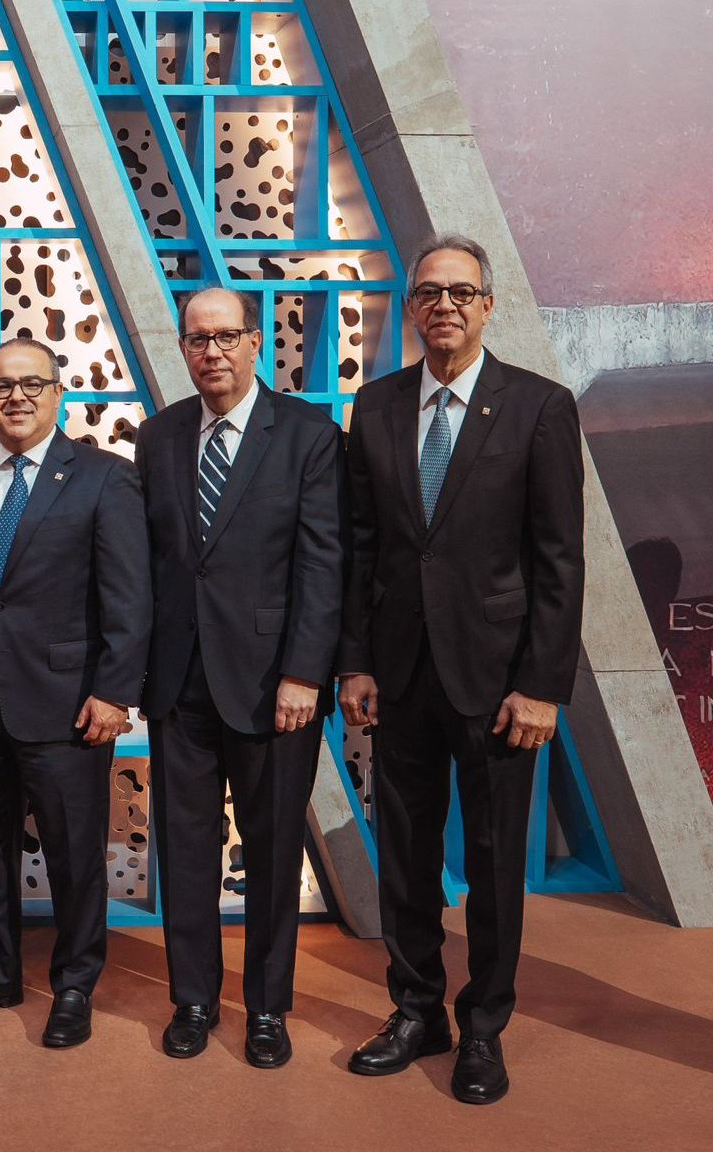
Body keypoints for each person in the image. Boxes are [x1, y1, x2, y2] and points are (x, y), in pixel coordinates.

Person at [339, 234, 584, 1104]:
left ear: (488, 305)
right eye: (428, 293)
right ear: (411, 307)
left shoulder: (539, 406)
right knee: (405, 858)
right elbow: (361, 546)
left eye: (460, 292)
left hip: (499, 682)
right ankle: (417, 1012)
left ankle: (483, 1028)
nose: (443, 305)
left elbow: (559, 560)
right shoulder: (374, 405)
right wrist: (354, 662)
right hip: (399, 674)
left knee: (492, 863)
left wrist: (543, 686)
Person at [135, 287, 343, 1068]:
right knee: (185, 851)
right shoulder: (158, 436)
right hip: (178, 685)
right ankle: (192, 1000)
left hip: (273, 687)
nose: (212, 351)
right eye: (198, 339)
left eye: (226, 337)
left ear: (256, 343)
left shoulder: (308, 434)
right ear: (184, 349)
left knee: (273, 851)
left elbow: (323, 563)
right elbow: (151, 563)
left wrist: (304, 673)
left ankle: (266, 1008)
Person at [0, 338, 150, 1048]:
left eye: (31, 384)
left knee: (74, 856)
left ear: (58, 393)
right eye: (1, 386)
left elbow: (129, 596)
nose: (16, 397)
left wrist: (115, 692)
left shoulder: (105, 477)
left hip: (70, 704)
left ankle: (75, 985)